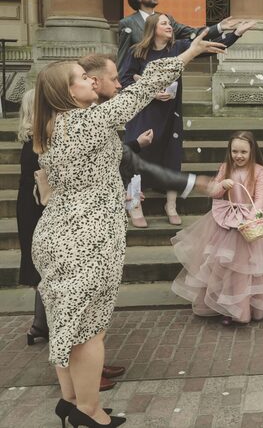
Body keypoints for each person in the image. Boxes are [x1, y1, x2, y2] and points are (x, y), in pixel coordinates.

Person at [31, 33, 226, 427]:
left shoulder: (58, 126)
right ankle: (89, 411)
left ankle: (70, 402)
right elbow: (143, 91)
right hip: (84, 236)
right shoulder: (83, 122)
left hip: (60, 231)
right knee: (89, 331)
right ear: (65, 91)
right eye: (80, 77)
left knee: (68, 324)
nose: (90, 80)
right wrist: (188, 52)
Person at [120, 14, 253, 226]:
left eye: (170, 23)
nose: (169, 26)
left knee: (171, 153)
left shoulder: (178, 47)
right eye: (164, 23)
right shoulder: (136, 51)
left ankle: (170, 205)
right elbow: (125, 79)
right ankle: (134, 205)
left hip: (170, 112)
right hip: (143, 111)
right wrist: (152, 92)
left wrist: (236, 33)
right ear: (152, 28)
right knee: (140, 154)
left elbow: (210, 44)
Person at [171, 131, 263, 326]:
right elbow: (215, 193)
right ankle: (229, 308)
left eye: (243, 152)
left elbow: (260, 196)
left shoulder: (259, 170)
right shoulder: (225, 168)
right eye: (234, 151)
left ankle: (253, 307)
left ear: (252, 152)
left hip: (249, 222)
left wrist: (254, 214)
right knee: (227, 267)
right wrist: (222, 184)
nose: (238, 155)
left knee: (249, 269)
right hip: (226, 223)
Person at [79, 53, 213, 222]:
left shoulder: (88, 116)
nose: (119, 85)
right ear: (94, 81)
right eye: (113, 79)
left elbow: (113, 157)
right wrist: (191, 51)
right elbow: (143, 90)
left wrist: (136, 144)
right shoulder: (91, 117)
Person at [116, 0, 239, 72]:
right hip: (141, 84)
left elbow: (192, 33)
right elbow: (123, 58)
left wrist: (219, 27)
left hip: (169, 82)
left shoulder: (167, 20)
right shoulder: (127, 23)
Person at [15, 90, 47, 345]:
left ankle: (40, 324)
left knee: (42, 269)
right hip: (35, 209)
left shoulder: (34, 141)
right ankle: (41, 324)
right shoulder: (36, 144)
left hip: (30, 207)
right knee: (43, 268)